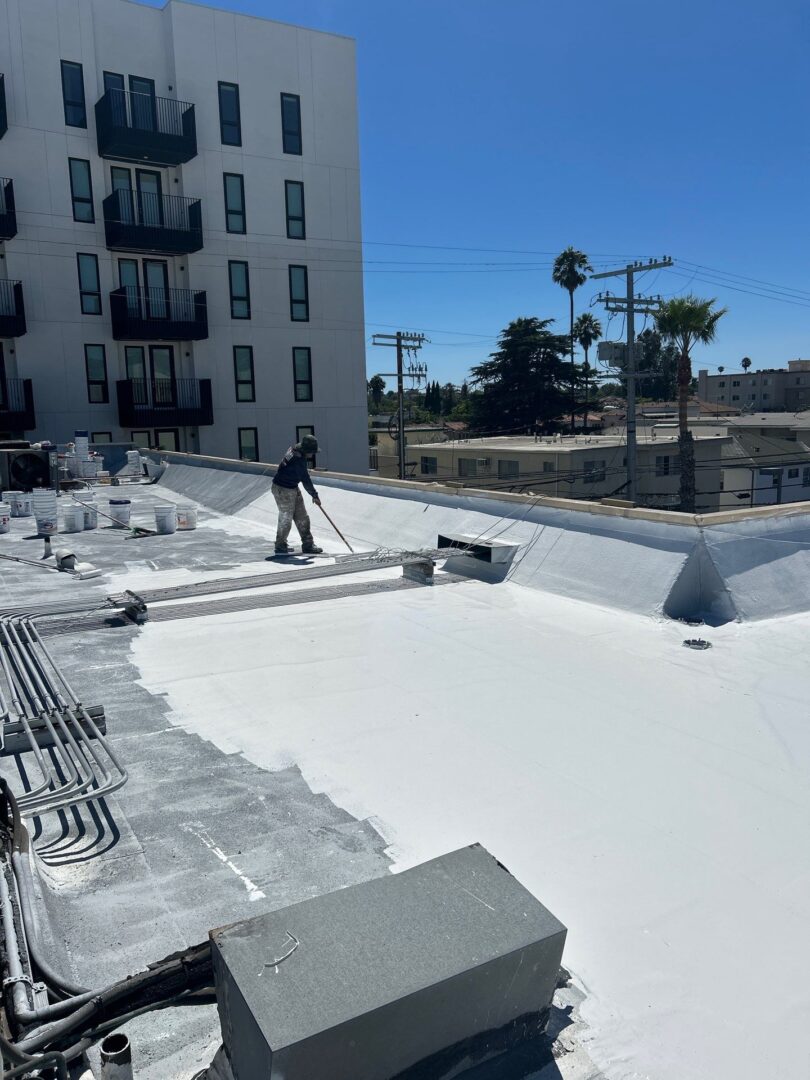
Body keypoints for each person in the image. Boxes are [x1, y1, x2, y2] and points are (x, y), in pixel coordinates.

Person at [271, 435, 323, 554]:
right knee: (286, 518)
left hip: (292, 487)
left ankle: (308, 544)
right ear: (307, 450)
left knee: (302, 517)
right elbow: (305, 479)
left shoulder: (296, 450)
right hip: (282, 489)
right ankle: (280, 545)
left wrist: (314, 495)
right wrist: (314, 495)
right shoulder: (298, 459)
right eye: (312, 452)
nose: (313, 455)